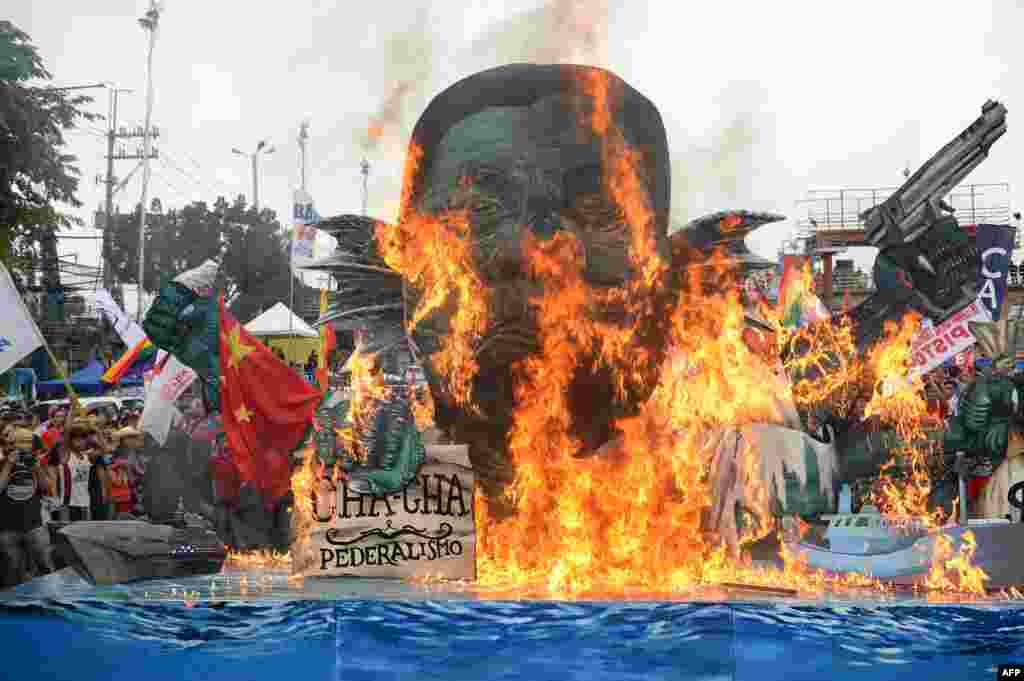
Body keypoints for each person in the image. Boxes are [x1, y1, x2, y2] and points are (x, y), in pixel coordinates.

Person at [0, 427, 54, 586]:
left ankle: (50, 598)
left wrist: (36, 468)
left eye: (26, 444)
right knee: (13, 571)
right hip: (7, 526)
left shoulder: (36, 463)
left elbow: (47, 488)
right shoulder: (3, 463)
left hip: (34, 524)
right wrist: (9, 465)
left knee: (45, 566)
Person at [65, 418, 96, 521]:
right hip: (70, 503)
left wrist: (96, 431)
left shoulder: (87, 457)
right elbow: (66, 434)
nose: (80, 441)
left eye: (82, 438)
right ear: (71, 440)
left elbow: (104, 449)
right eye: (76, 439)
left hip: (85, 502)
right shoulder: (67, 455)